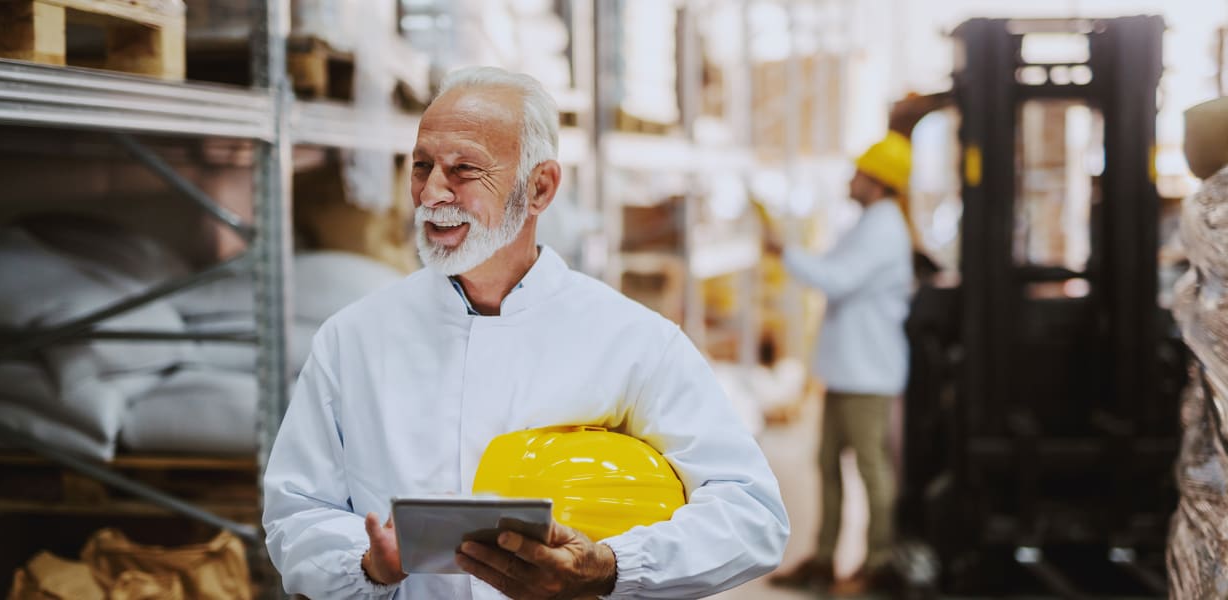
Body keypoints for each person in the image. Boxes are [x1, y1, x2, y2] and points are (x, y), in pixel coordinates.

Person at [262, 66, 789, 599]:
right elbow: (295, 513)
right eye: (422, 166)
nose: (432, 191)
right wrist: (365, 563)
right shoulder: (352, 340)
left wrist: (610, 566)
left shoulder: (633, 341)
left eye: (464, 169)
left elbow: (752, 513)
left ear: (540, 188)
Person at [765, 131, 915, 595]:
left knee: (872, 470)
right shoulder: (869, 222)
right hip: (849, 370)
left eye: (860, 172)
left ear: (879, 181)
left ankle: (880, 561)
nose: (852, 178)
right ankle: (825, 559)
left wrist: (783, 253)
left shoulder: (886, 227)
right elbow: (831, 267)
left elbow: (837, 279)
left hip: (869, 375)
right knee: (827, 465)